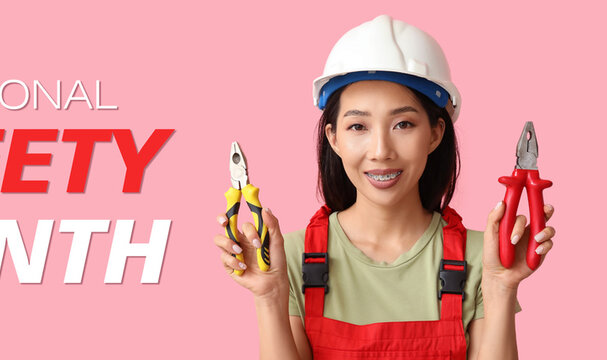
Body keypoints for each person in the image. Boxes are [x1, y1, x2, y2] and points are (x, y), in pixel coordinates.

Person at [213, 15, 556, 359]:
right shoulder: (288, 256)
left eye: (403, 124)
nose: (380, 151)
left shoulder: (486, 258)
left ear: (436, 134)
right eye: (358, 126)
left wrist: (501, 286)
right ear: (333, 138)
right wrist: (269, 296)